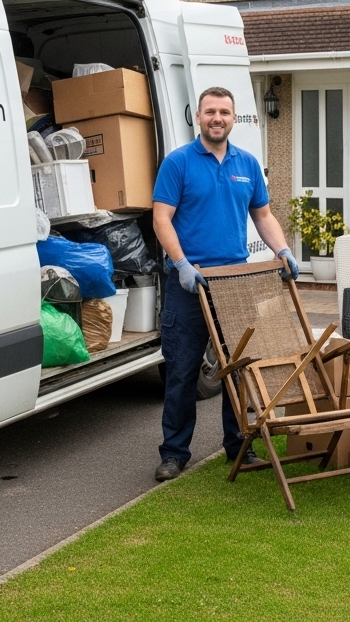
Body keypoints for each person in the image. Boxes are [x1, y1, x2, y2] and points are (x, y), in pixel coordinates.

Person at [150, 87, 298, 482]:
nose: (218, 118)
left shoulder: (247, 164)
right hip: (190, 284)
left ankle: (239, 447)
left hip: (234, 284)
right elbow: (161, 218)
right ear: (198, 117)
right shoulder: (178, 163)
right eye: (210, 111)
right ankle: (174, 453)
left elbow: (262, 215)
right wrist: (181, 263)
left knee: (238, 369)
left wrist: (282, 249)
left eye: (225, 112)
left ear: (234, 119)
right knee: (182, 372)